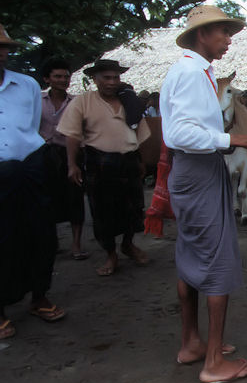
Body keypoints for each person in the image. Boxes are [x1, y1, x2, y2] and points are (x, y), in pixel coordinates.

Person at [160, 4, 247, 383]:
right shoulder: (192, 73)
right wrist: (236, 139)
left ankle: (192, 341)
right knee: (217, 260)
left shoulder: (198, 72)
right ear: (201, 35)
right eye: (222, 32)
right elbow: (179, 134)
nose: (228, 40)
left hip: (196, 170)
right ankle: (213, 362)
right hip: (198, 170)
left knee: (191, 256)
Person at [0, 24, 65, 339]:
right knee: (3, 238)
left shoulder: (25, 85)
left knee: (42, 234)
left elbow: (32, 127)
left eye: (3, 47)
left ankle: (39, 296)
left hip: (31, 165)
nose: (1, 53)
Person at [57, 59, 151, 277]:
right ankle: (111, 255)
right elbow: (72, 135)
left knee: (134, 208)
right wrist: (72, 165)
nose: (112, 82)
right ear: (95, 79)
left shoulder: (129, 101)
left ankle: (128, 244)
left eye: (116, 77)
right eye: (106, 78)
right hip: (99, 163)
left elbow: (141, 135)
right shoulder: (84, 101)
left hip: (129, 160)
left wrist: (142, 161)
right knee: (103, 212)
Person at [38, 57, 87, 260]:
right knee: (46, 198)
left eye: (66, 77)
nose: (63, 80)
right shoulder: (37, 101)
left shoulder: (76, 102)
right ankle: (53, 241)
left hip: (70, 153)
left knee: (74, 197)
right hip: (42, 154)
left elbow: (81, 130)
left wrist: (72, 162)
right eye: (57, 76)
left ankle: (76, 244)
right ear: (47, 79)